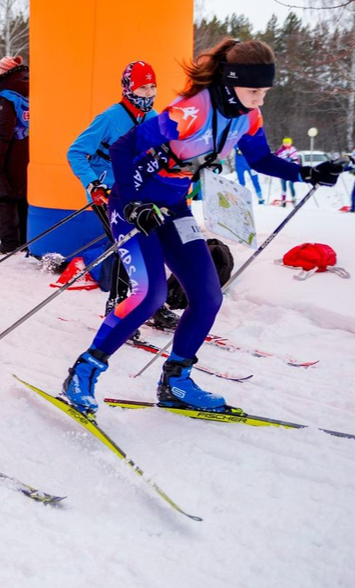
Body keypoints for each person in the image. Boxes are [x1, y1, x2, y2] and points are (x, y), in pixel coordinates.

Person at [61, 38, 344, 414]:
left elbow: (260, 159)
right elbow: (122, 148)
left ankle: (176, 381)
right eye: (254, 90)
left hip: (173, 208)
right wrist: (131, 202)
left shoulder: (249, 116)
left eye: (264, 92)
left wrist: (307, 171)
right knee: (150, 295)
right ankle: (84, 372)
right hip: (134, 205)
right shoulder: (190, 112)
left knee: (209, 296)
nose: (260, 100)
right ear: (231, 83)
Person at [67, 61, 176, 327]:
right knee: (124, 247)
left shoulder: (154, 119)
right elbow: (76, 152)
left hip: (138, 193)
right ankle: (117, 308)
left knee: (153, 242)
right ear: (128, 88)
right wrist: (93, 183)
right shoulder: (109, 119)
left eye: (152, 87)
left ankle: (154, 304)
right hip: (107, 193)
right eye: (142, 88)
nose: (149, 94)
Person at [0, 56, 30, 255]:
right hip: (25, 152)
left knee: (3, 196)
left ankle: (9, 242)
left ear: (2, 75)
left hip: (8, 154)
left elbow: (2, 134)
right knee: (22, 197)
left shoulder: (6, 99)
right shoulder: (27, 95)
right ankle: (24, 239)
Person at [274, 137, 300, 205]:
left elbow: (296, 159)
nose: (287, 144)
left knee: (291, 185)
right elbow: (278, 158)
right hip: (283, 170)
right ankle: (283, 200)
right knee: (283, 186)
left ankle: (294, 199)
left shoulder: (293, 150)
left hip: (291, 170)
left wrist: (294, 162)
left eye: (288, 143)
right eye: (285, 143)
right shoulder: (281, 151)